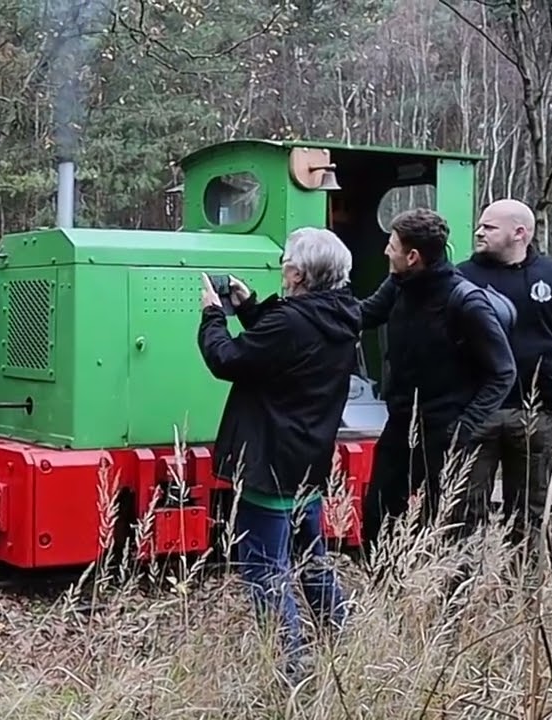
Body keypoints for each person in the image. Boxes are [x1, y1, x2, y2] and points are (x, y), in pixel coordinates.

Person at [198, 227, 359, 679]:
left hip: (270, 461)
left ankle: (287, 664)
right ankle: (343, 637)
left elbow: (228, 359)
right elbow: (287, 347)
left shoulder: (291, 322)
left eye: (286, 262)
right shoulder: (343, 313)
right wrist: (251, 308)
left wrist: (214, 315)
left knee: (265, 569)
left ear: (296, 273)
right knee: (312, 560)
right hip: (308, 460)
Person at [358, 207, 516, 560]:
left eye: (392, 245)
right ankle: (387, 601)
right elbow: (363, 315)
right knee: (376, 522)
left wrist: (462, 429)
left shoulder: (466, 302)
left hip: (445, 435)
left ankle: (442, 608)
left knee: (445, 532)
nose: (386, 251)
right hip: (400, 426)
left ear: (412, 257)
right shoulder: (399, 285)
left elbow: (503, 372)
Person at [457, 199, 552, 569]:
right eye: (480, 225)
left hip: (534, 415)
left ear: (519, 233)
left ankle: (521, 600)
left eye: (489, 227)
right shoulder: (460, 279)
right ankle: (456, 602)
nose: (479, 231)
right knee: (463, 514)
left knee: (527, 515)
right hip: (476, 412)